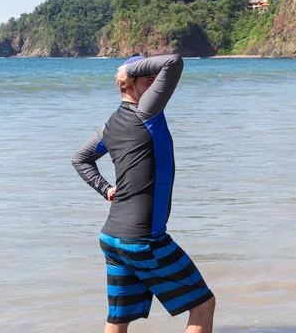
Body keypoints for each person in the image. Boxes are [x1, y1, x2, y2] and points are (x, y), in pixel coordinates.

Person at [72, 54, 215, 333]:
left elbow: (80, 158)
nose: (155, 84)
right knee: (203, 303)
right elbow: (173, 62)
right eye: (147, 79)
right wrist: (125, 69)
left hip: (112, 239)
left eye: (155, 79)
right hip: (144, 240)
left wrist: (105, 189)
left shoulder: (110, 126)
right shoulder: (146, 112)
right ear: (128, 85)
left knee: (119, 317)